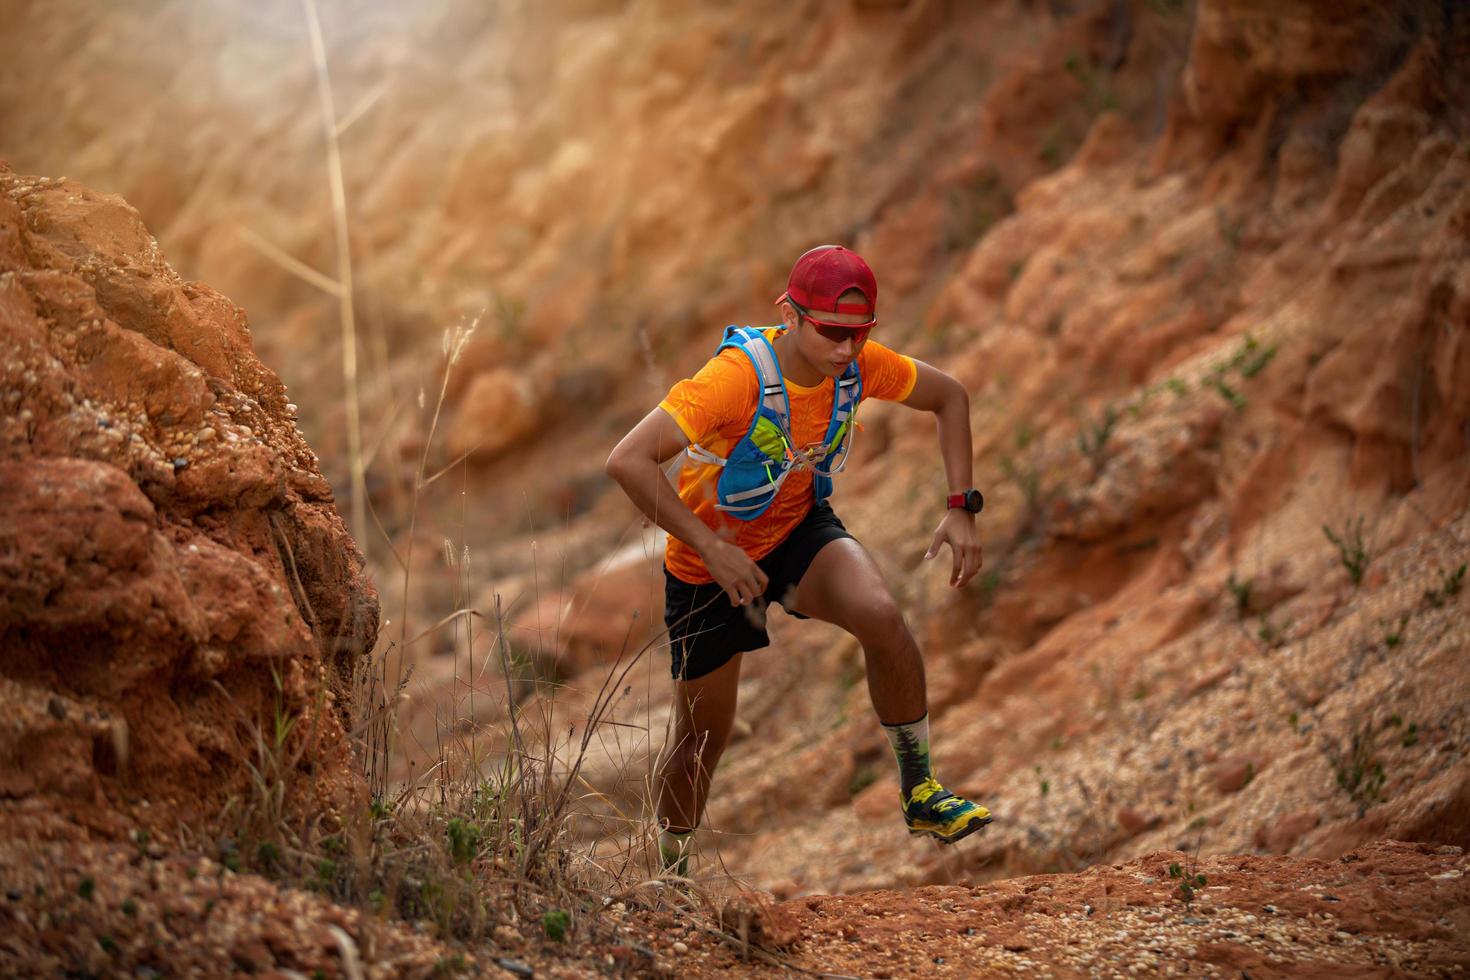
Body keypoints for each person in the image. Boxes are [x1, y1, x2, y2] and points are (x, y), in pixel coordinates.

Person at [605, 245, 991, 873]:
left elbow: (950, 397)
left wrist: (961, 505)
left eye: (859, 334)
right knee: (701, 741)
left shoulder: (860, 366)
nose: (845, 350)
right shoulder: (734, 380)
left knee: (882, 616)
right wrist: (711, 547)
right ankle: (668, 871)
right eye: (831, 333)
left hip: (796, 530)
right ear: (791, 314)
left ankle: (920, 790)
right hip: (708, 568)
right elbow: (626, 460)